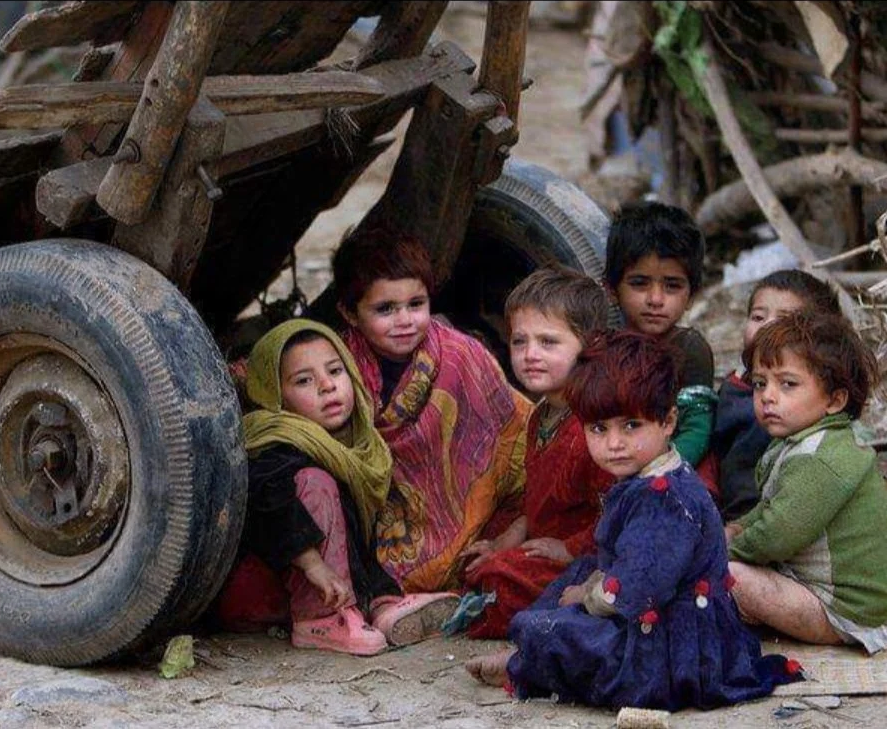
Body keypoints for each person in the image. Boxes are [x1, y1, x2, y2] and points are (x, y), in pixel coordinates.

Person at [464, 330, 801, 710]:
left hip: (676, 650)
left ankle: (526, 664)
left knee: (559, 629)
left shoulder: (665, 498)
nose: (614, 444)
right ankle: (530, 657)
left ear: (669, 421)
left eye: (631, 426)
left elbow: (638, 588)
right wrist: (586, 585)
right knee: (576, 575)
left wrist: (588, 598)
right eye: (598, 429)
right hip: (654, 613)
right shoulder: (643, 478)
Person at [215, 319, 458, 655]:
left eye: (335, 371)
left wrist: (381, 590)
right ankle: (322, 619)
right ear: (274, 396)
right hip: (253, 589)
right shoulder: (273, 442)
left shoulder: (346, 449)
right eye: (304, 380)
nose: (327, 386)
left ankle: (383, 609)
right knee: (314, 482)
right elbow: (270, 501)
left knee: (338, 506)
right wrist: (313, 564)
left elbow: (353, 543)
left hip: (310, 587)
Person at [333, 225, 533, 592]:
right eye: (385, 309)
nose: (405, 320)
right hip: (383, 522)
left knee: (506, 556)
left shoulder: (461, 356)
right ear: (349, 313)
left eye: (416, 305)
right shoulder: (338, 368)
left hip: (477, 510)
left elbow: (513, 436)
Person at [726, 312, 887, 652]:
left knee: (728, 575)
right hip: (823, 594)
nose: (768, 396)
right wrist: (735, 529)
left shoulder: (819, 457)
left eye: (787, 384)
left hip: (844, 611)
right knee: (727, 550)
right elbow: (770, 510)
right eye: (760, 383)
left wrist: (720, 551)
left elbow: (776, 536)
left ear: (834, 401)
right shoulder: (798, 442)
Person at [460, 267, 615, 639]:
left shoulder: (596, 424)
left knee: (499, 579)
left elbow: (618, 511)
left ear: (589, 345)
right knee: (477, 549)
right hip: (543, 542)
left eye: (548, 342)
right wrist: (503, 543)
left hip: (591, 555)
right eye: (519, 342)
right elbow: (536, 503)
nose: (530, 355)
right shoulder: (541, 416)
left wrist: (569, 548)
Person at [713, 270, 841, 520]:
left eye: (787, 320)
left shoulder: (800, 408)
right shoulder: (736, 382)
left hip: (767, 517)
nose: (767, 326)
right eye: (758, 316)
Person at [604, 202, 716, 476]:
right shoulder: (603, 348)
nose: (655, 299)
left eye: (672, 286)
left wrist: (656, 472)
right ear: (611, 289)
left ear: (692, 296)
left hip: (674, 471)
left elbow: (697, 428)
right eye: (639, 283)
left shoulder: (690, 350)